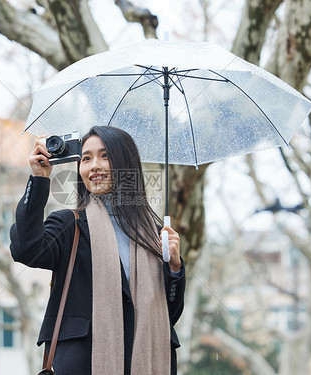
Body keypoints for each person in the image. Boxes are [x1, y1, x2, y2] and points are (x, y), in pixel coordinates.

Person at [10, 126, 185, 375]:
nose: (94, 166)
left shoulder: (157, 234)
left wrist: (175, 267)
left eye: (105, 156)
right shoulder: (69, 225)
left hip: (148, 362)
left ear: (126, 165)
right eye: (86, 158)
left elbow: (170, 313)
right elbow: (25, 249)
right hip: (84, 364)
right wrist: (39, 179)